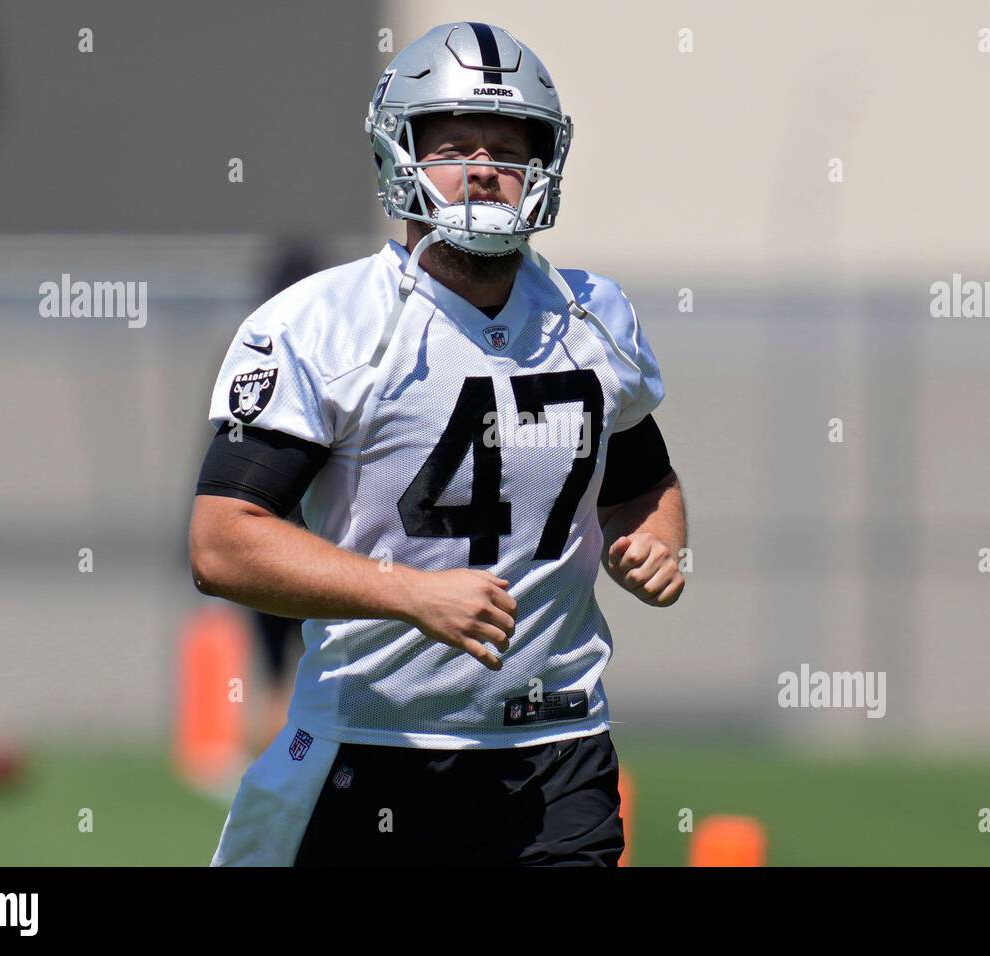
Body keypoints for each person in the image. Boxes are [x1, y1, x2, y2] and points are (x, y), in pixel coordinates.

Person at [189, 21, 687, 866]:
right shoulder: (327, 325)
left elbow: (643, 477)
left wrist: (658, 539)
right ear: (399, 156)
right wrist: (407, 594)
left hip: (557, 757)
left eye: (509, 143)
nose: (487, 167)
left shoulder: (591, 315)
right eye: (456, 144)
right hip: (369, 755)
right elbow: (222, 543)